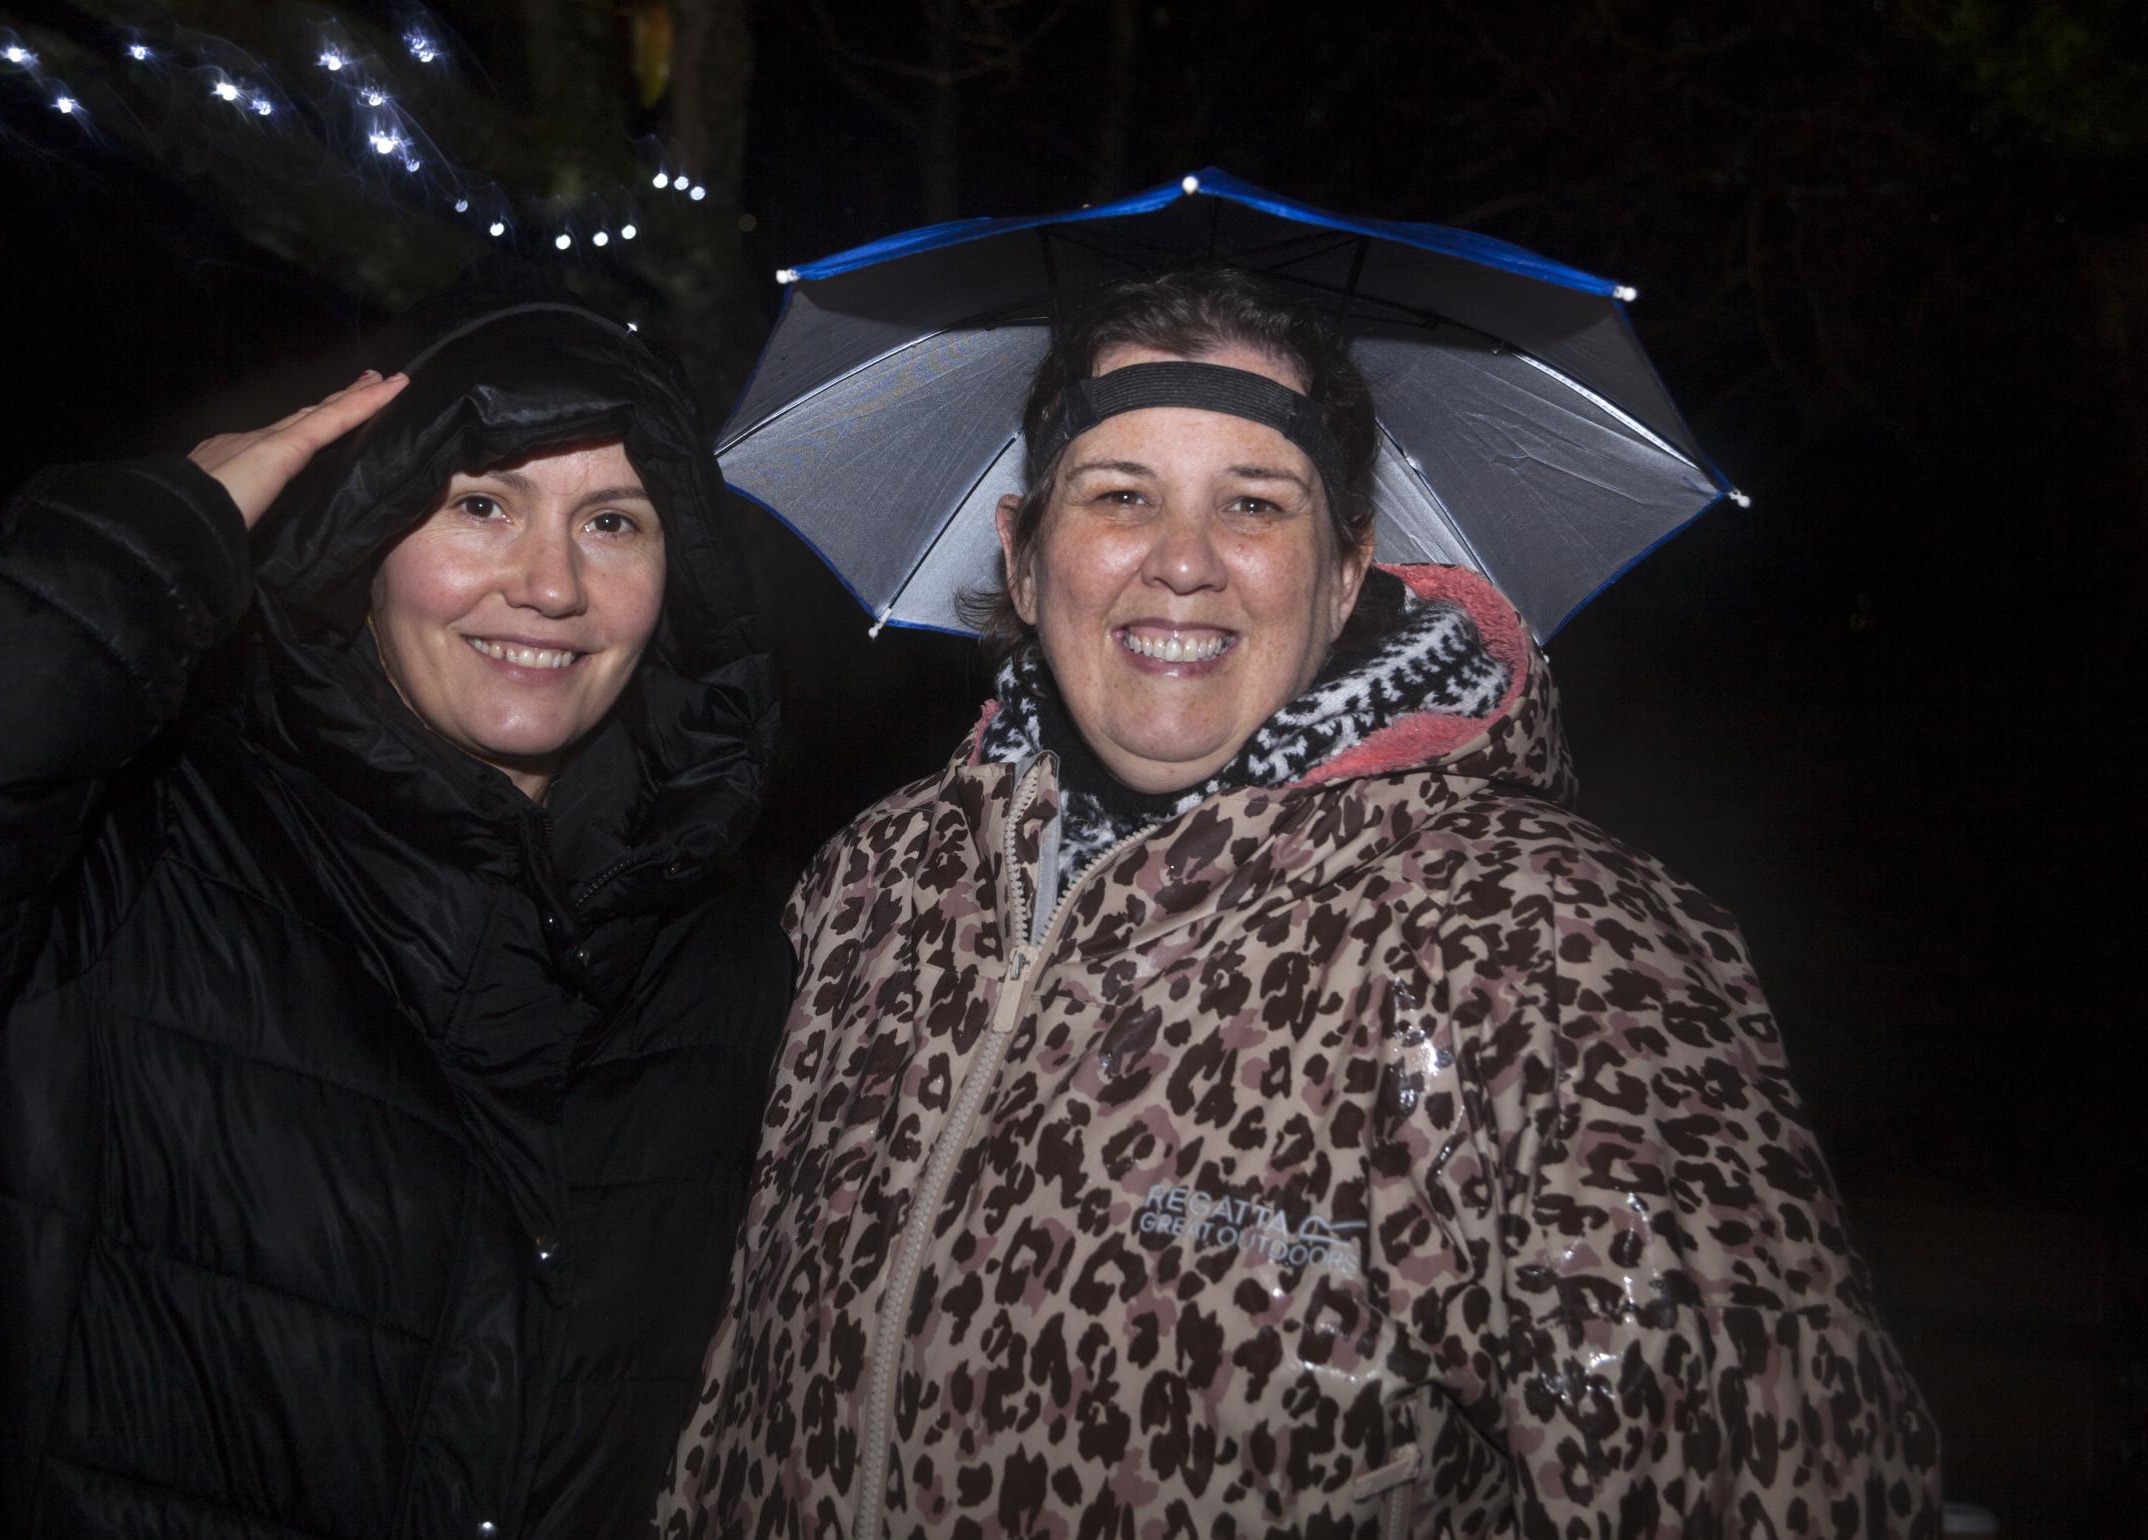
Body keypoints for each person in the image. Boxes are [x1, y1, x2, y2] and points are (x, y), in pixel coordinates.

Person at [661, 269, 1940, 1536]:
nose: (1182, 563)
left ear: (1344, 574)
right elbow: (734, 1396)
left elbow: (1775, 1486)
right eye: (1120, 496)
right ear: (1025, 551)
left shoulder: (1544, 941)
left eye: (1255, 505)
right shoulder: (872, 889)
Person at [0, 274, 789, 1538]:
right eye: (480, 504)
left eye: (616, 522)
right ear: (365, 542)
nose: (551, 584)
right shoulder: (142, 842)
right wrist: (143, 544)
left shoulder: (725, 961)